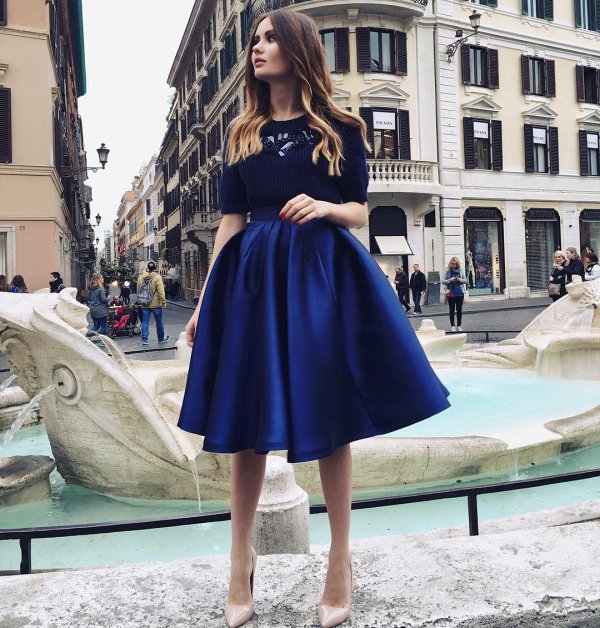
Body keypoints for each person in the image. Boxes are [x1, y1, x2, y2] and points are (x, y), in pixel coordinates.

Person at [176, 10, 449, 628]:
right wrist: (202, 305)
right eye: (253, 40)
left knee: (330, 418)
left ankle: (340, 561)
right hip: (251, 281)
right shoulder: (242, 132)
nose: (257, 49)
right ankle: (238, 561)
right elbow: (230, 223)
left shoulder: (342, 128)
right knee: (244, 423)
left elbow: (359, 211)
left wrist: (323, 205)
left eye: (269, 38)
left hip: (319, 278)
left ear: (298, 47)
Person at [136, 261, 169, 346]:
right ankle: (161, 338)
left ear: (148, 267)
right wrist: (163, 301)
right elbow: (161, 291)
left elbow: (138, 290)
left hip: (144, 304)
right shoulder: (157, 277)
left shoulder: (140, 277)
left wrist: (140, 300)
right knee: (159, 321)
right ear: (155, 268)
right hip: (156, 304)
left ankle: (144, 339)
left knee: (145, 322)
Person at [442, 257, 467, 331]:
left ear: (457, 264)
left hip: (459, 293)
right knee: (451, 310)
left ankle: (459, 325)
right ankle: (452, 325)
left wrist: (459, 279)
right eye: (452, 263)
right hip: (450, 293)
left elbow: (465, 280)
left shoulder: (460, 270)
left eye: (455, 264)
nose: (454, 265)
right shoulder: (447, 271)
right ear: (450, 263)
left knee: (459, 310)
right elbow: (443, 281)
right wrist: (450, 280)